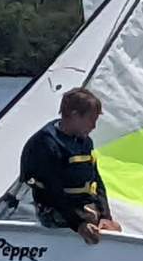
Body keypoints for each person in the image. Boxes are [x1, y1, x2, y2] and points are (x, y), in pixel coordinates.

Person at [20, 87, 122, 245]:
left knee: (111, 227)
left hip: (82, 206)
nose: (94, 126)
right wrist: (79, 224)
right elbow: (53, 192)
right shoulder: (45, 144)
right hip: (54, 208)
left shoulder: (85, 141)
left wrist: (105, 216)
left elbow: (97, 181)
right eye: (91, 120)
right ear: (75, 116)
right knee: (89, 221)